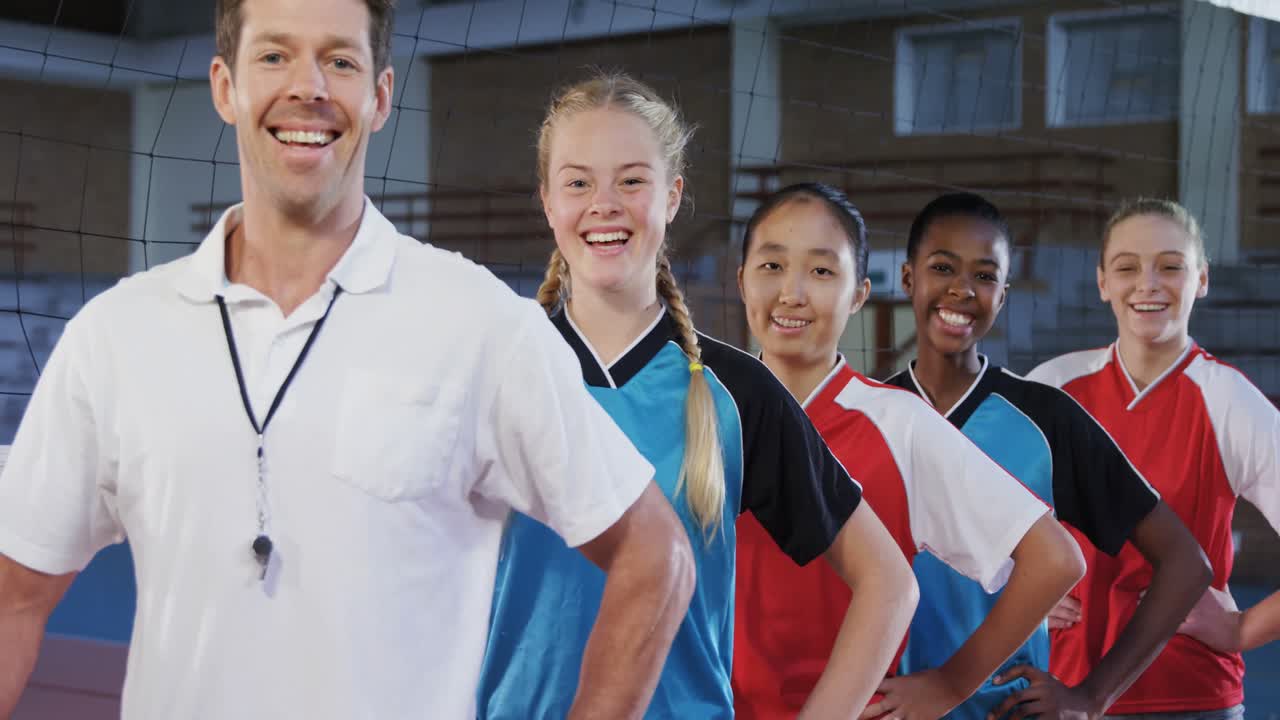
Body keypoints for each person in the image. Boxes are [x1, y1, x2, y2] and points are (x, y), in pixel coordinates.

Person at [0, 2, 697, 718]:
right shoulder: (116, 335)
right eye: (274, 56)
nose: (309, 86)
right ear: (223, 86)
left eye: (340, 60)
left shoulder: (480, 323)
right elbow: (13, 596)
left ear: (381, 96)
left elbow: (656, 555)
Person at [475, 74, 918, 720]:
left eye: (631, 180)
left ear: (672, 196)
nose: (604, 204)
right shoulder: (491, 374)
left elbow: (889, 584)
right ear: (547, 201)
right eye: (578, 182)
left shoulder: (736, 393)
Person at [732, 182, 1084, 720]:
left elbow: (1054, 558)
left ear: (859, 294)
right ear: (742, 281)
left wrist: (949, 684)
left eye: (822, 271)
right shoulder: (704, 411)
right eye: (772, 266)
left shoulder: (900, 425)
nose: (792, 293)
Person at [881, 192, 1211, 720]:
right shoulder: (870, 415)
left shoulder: (1046, 417)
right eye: (942, 267)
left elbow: (1186, 564)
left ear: (1004, 295)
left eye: (985, 276)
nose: (963, 288)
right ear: (907, 278)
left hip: (1006, 710)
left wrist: (1091, 696)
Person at [1028, 198, 1280, 719]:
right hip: (1060, 691)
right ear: (1102, 283)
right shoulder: (1053, 387)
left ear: (1201, 280)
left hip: (1191, 694)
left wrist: (1240, 628)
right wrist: (1015, 590)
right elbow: (970, 525)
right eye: (1127, 267)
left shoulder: (1228, 400)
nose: (1148, 284)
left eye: (1170, 266)